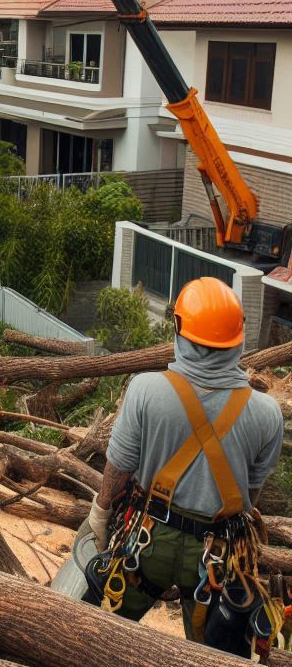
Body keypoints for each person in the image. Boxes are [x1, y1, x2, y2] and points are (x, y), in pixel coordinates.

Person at [84, 277, 283, 652]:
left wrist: (100, 512)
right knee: (215, 652)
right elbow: (248, 495)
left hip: (146, 544)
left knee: (97, 631)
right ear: (238, 340)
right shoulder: (267, 414)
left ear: (178, 330)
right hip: (216, 559)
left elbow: (120, 467)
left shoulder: (146, 388)